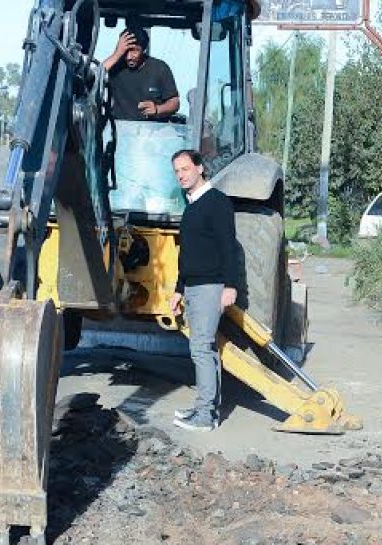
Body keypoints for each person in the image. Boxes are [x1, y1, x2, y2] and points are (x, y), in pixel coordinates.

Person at [167, 150, 239, 432]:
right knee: (203, 349)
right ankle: (203, 408)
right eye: (177, 171)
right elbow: (188, 255)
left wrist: (230, 286)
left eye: (185, 169)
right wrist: (178, 290)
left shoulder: (216, 202)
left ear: (200, 168)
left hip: (211, 287)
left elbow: (228, 246)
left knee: (201, 347)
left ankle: (206, 415)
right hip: (194, 286)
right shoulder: (192, 206)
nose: (181, 175)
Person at [102, 26, 180, 122]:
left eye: (134, 51)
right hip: (119, 129)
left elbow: (174, 103)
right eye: (126, 51)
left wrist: (157, 109)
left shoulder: (160, 68)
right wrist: (117, 54)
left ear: (144, 50)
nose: (129, 57)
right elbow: (95, 76)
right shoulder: (115, 66)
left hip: (154, 130)